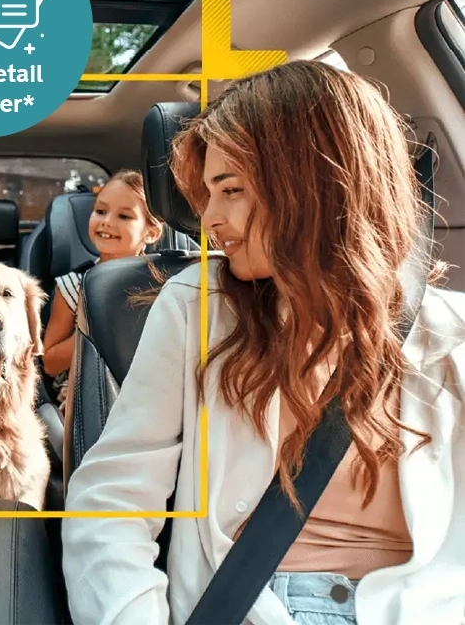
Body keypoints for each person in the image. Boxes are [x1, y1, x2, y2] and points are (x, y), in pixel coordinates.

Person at [60, 60, 464, 625]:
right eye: (207, 195)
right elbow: (114, 499)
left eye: (231, 190)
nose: (210, 222)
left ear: (318, 182)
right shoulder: (197, 306)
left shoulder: (452, 333)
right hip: (257, 604)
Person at [39, 169, 165, 474]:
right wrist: (93, 327)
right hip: (85, 392)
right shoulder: (72, 286)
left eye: (124, 216)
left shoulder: (166, 286)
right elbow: (51, 362)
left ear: (151, 232)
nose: (107, 221)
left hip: (151, 387)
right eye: (100, 211)